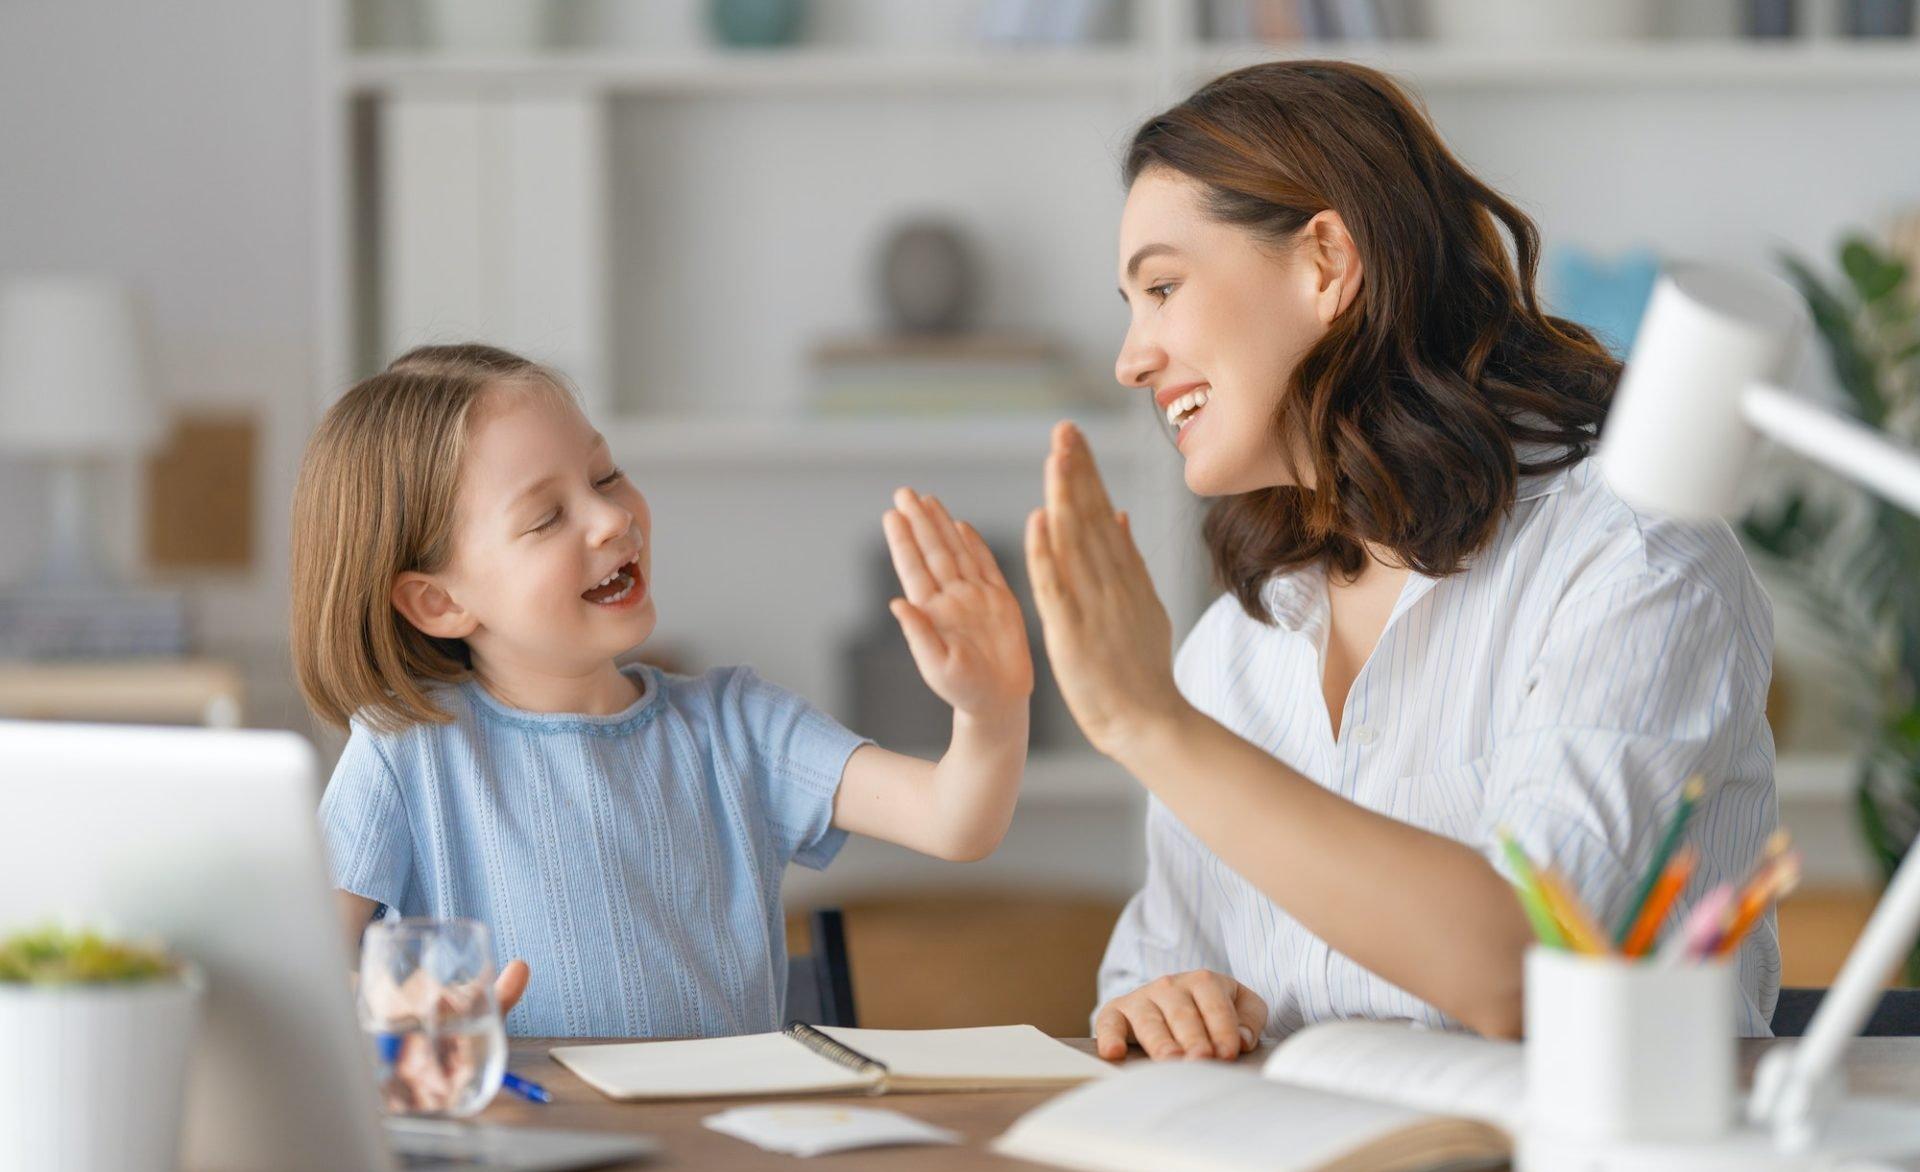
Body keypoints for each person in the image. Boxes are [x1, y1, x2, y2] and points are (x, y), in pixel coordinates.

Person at [1020, 61, 1779, 1058]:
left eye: (1162, 287)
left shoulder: (1632, 560)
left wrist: (1147, 723)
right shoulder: (1235, 647)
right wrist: (1156, 1005)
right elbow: (1151, 970)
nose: (1131, 356)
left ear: (1326, 262)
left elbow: (1531, 967)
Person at [291, 343, 1033, 1037]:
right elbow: (301, 968)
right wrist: (389, 1004)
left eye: (606, 475)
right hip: (524, 1152)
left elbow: (956, 820)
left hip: (723, 1162)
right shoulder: (404, 754)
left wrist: (991, 711)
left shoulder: (738, 727)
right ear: (439, 603)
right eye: (547, 517)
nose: (612, 517)